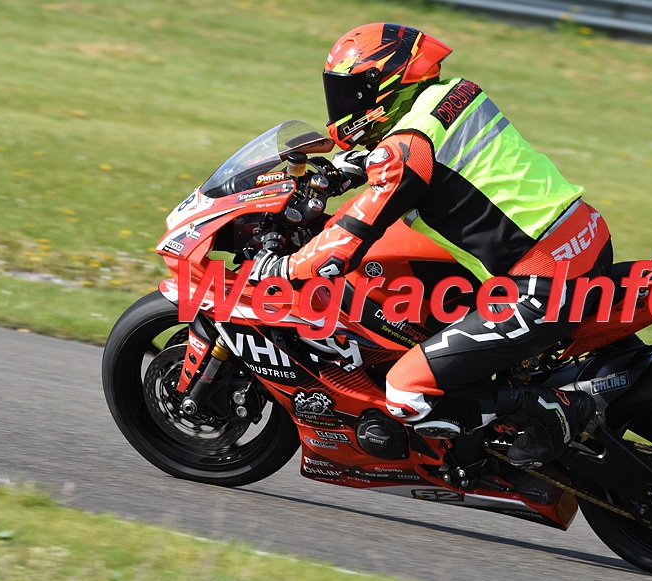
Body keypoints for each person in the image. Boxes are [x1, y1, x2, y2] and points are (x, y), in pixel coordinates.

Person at [250, 23, 613, 467]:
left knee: (404, 389)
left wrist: (282, 269)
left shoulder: (404, 151)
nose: (344, 106)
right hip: (587, 237)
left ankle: (549, 409)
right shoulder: (455, 94)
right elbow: (435, 156)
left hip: (544, 286)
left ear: (385, 85)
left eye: (351, 94)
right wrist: (352, 167)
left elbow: (343, 244)